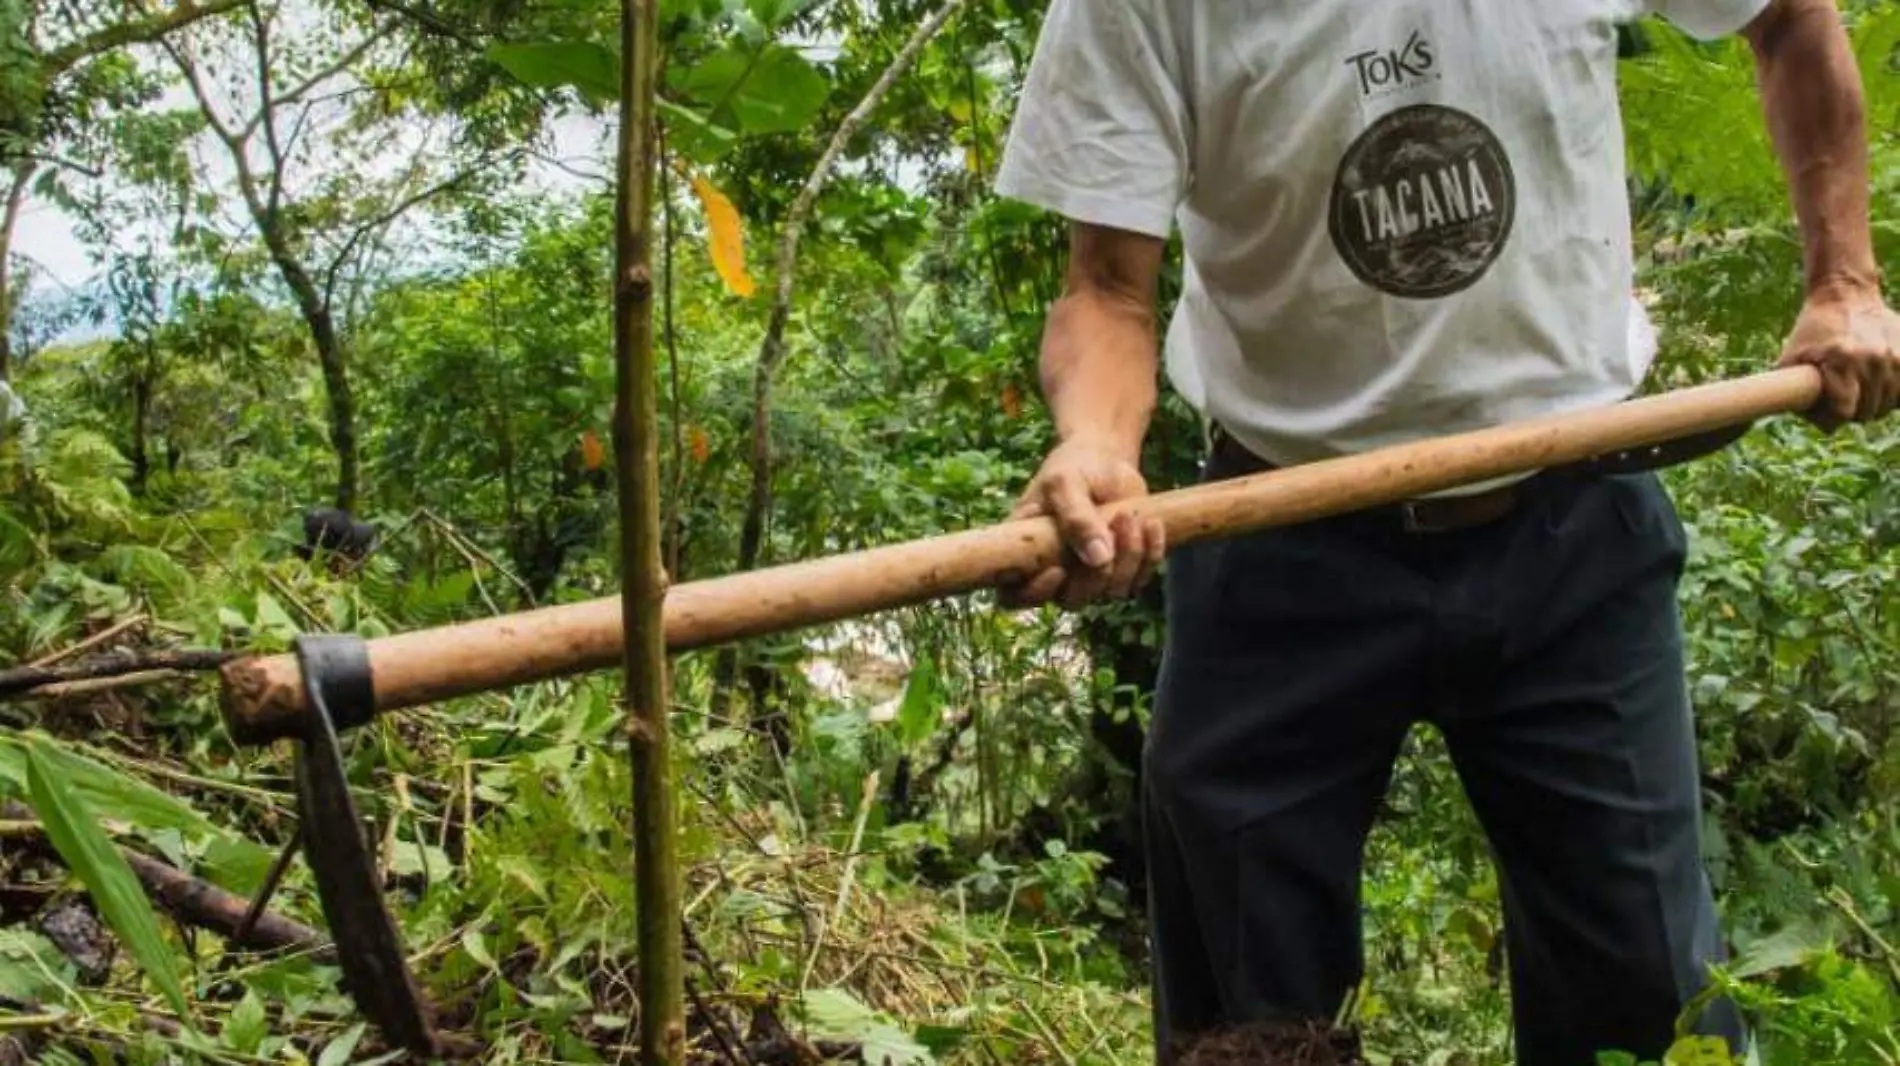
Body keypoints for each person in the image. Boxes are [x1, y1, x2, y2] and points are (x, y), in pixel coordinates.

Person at [993, 1, 1900, 1064]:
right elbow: (1105, 287)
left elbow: (1789, 16)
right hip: (1277, 541)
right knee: (1246, 1020)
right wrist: (1097, 443)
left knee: (1649, 1004)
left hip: (1573, 524)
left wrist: (1844, 284)